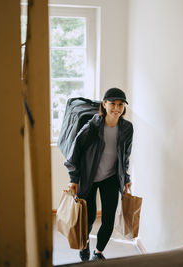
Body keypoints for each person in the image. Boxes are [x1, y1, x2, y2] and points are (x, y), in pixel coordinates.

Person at [65, 88, 133, 261]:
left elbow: (125, 156)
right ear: (104, 104)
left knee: (108, 220)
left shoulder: (126, 128)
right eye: (113, 104)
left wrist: (125, 178)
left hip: (111, 178)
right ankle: (85, 243)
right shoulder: (93, 126)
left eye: (120, 105)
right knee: (88, 219)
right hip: (88, 177)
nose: (116, 108)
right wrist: (74, 179)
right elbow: (74, 152)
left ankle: (98, 252)